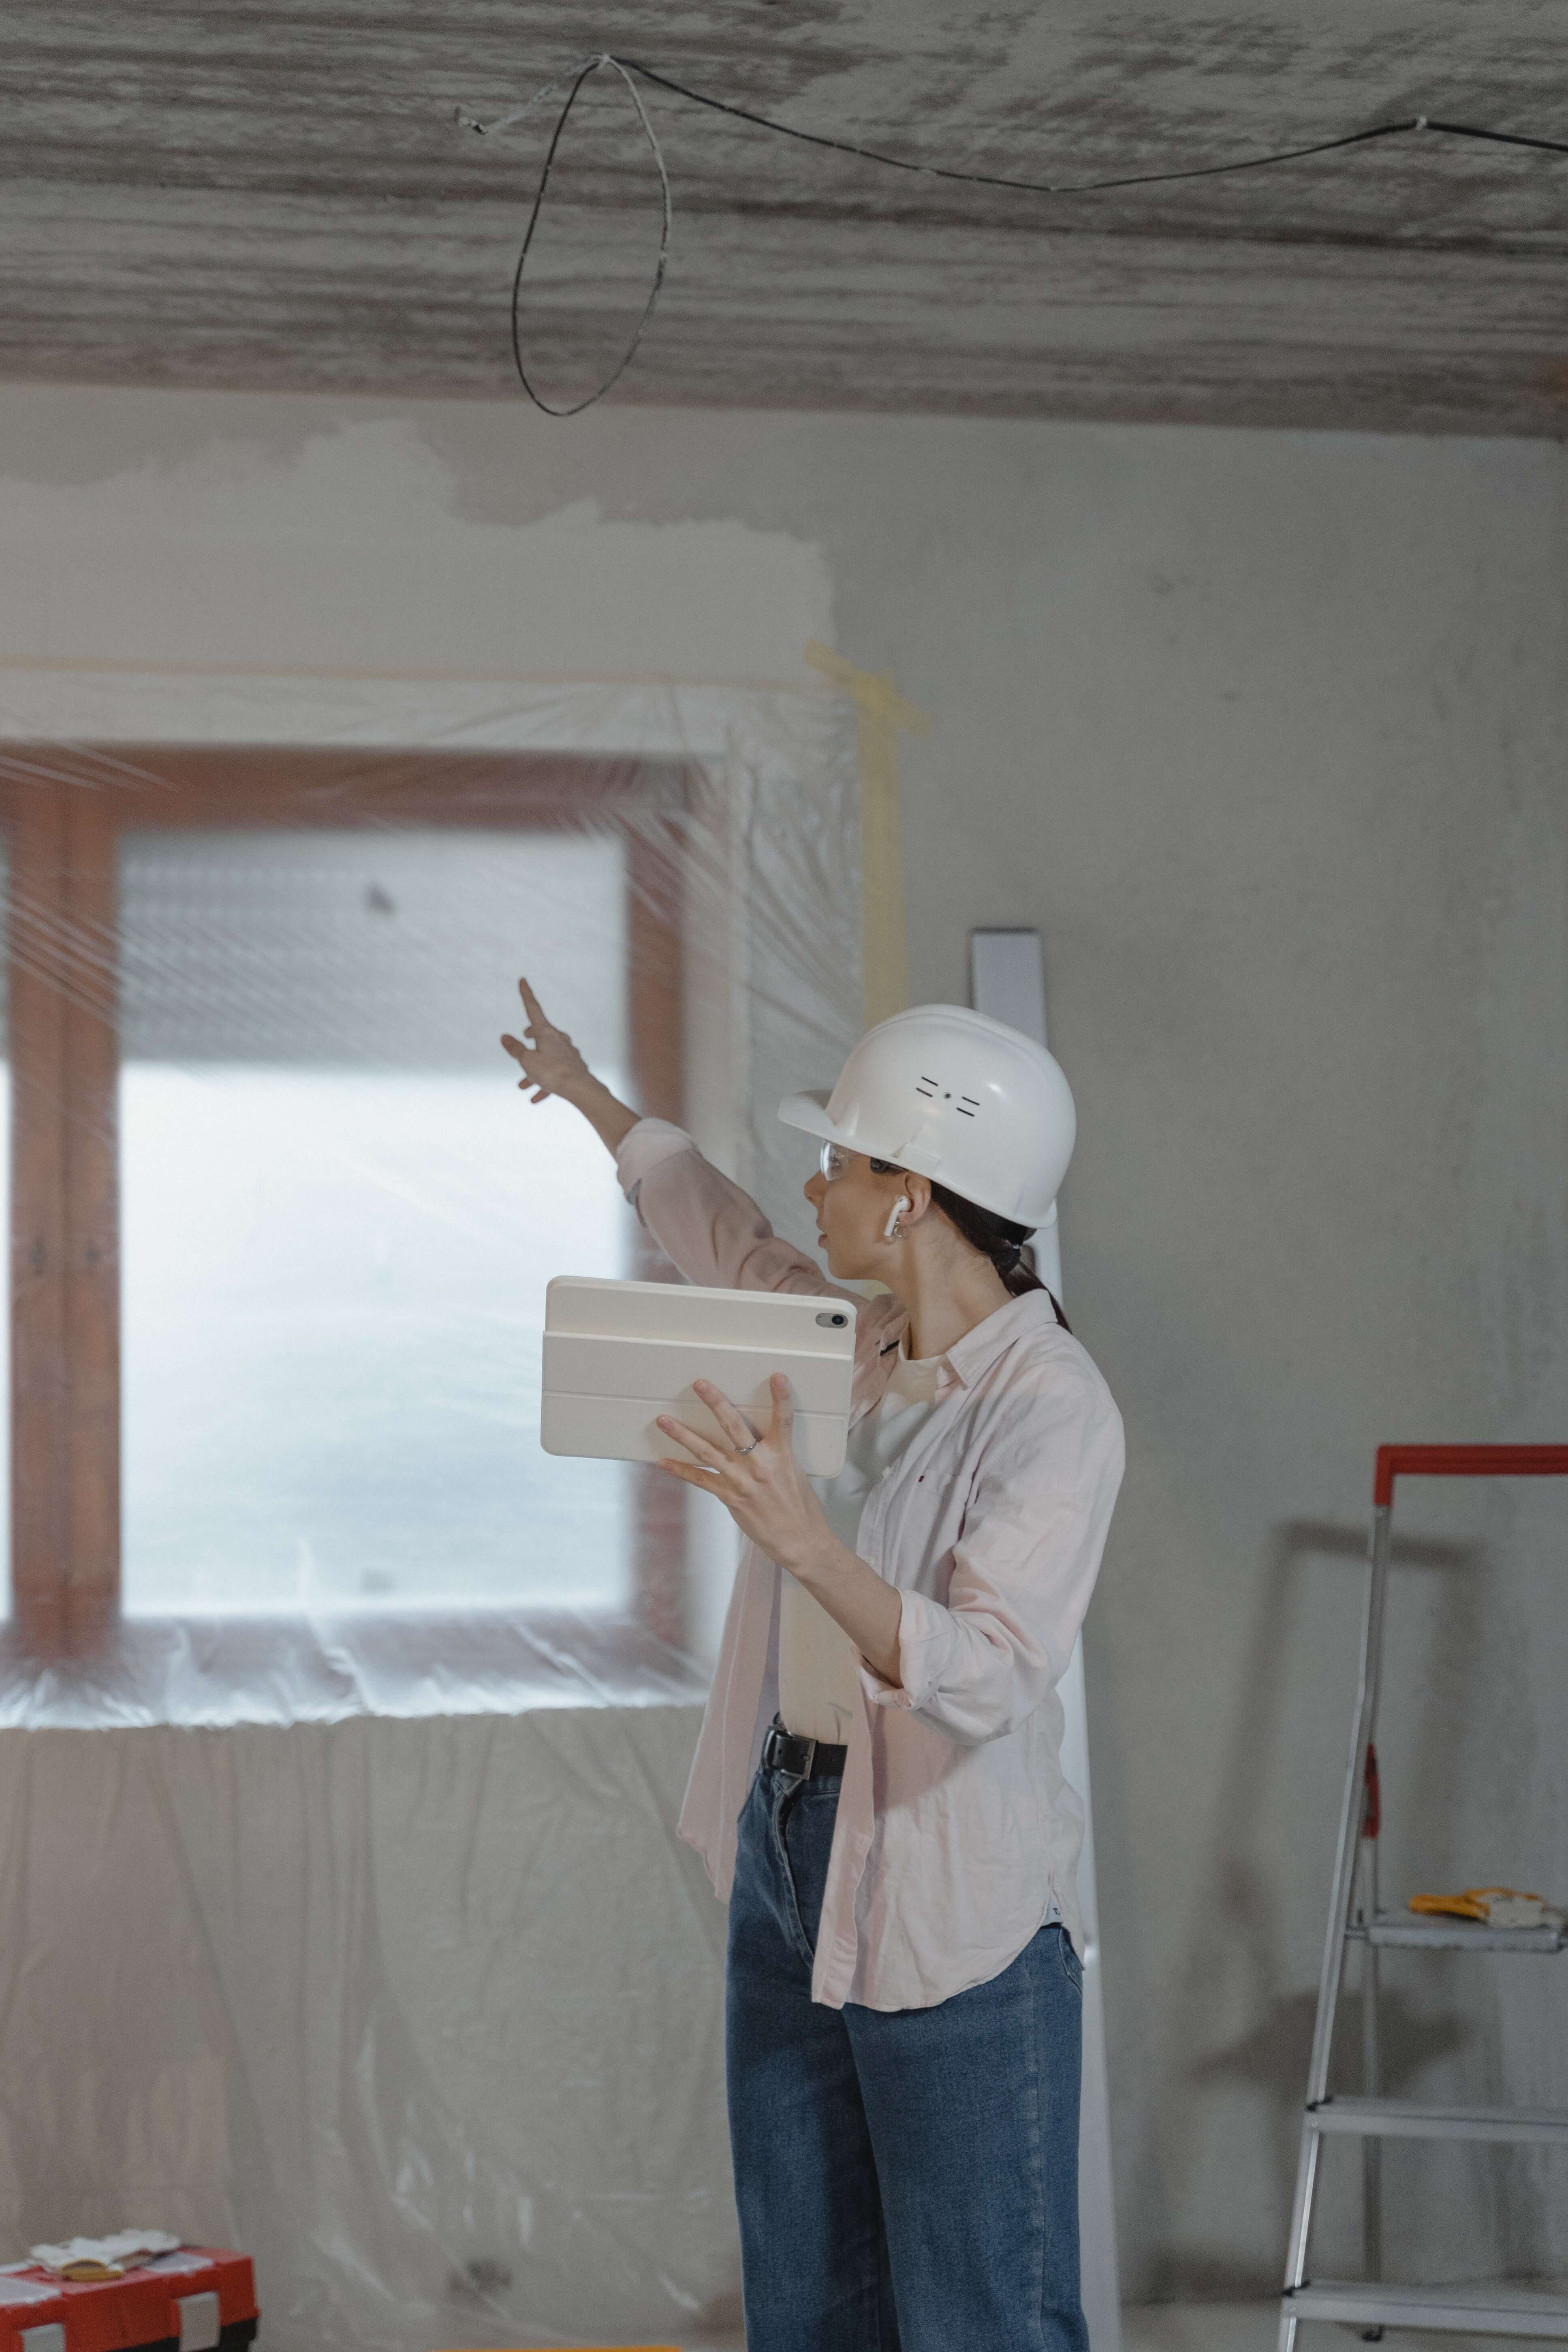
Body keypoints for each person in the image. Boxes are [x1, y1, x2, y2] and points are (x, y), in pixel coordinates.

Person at [502, 980, 1124, 2352]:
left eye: (841, 1162)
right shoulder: (854, 1346)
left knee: (980, 2318)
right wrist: (588, 1090)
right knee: (811, 2300)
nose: (816, 1182)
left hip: (945, 1879)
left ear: (913, 1196)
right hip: (790, 1838)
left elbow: (990, 1672)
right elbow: (722, 1233)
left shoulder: (1050, 1407)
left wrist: (802, 1539)